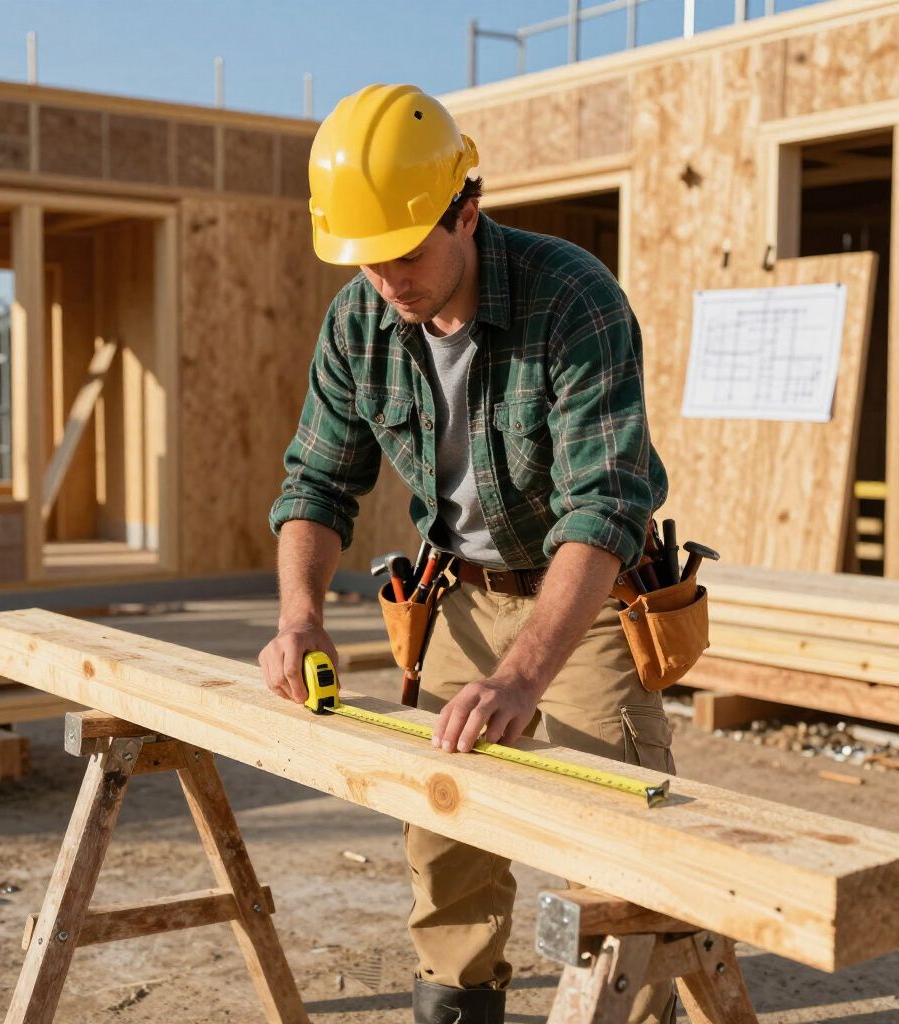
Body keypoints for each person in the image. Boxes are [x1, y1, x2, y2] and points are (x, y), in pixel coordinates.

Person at [259, 83, 676, 1024]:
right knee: (445, 839)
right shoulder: (360, 320)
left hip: (589, 597)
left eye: (405, 255)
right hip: (460, 594)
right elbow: (317, 485)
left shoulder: (572, 298)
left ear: (468, 213)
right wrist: (301, 619)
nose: (387, 284)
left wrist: (527, 676)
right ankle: (457, 1008)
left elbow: (605, 507)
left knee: (618, 846)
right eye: (367, 264)